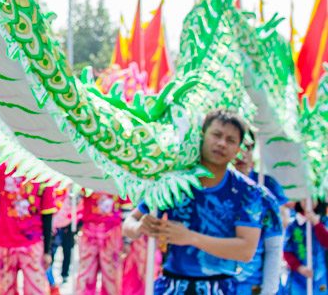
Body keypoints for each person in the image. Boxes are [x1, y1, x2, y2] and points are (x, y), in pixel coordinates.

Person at [123, 109, 263, 295]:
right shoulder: (174, 182)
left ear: (238, 149)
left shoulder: (248, 192)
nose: (222, 143)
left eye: (230, 140)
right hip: (171, 287)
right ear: (202, 136)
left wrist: (190, 237)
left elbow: (245, 251)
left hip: (219, 288)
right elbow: (128, 224)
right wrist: (140, 227)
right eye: (216, 135)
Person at [0, 166, 58, 295]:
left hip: (32, 245)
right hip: (5, 243)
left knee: (36, 291)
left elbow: (47, 216)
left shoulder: (43, 173)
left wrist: (47, 251)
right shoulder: (6, 167)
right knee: (5, 291)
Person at [231, 130, 284, 295]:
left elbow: (274, 247)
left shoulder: (266, 189)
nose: (242, 153)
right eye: (237, 145)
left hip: (252, 287)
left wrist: (268, 290)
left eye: (247, 147)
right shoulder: (210, 188)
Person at [75, 191, 125, 295]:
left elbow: (126, 208)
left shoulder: (121, 179)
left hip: (112, 233)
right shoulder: (88, 178)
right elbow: (78, 198)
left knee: (111, 275)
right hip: (89, 231)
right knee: (86, 274)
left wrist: (127, 241)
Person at [283, 202, 328, 295]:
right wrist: (298, 267)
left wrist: (316, 223)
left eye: (312, 198)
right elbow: (286, 250)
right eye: (304, 199)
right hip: (298, 278)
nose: (308, 201)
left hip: (321, 276)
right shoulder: (293, 225)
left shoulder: (324, 221)